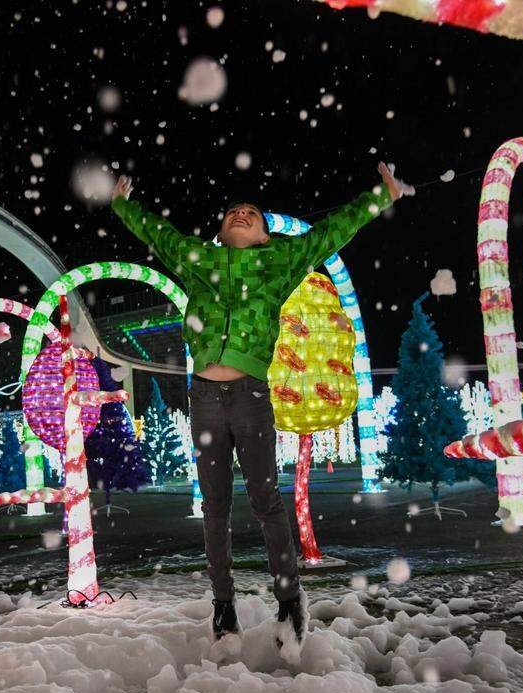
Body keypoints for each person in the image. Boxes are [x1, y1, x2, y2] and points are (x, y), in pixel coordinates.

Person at [111, 163, 411, 658]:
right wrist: (124, 204)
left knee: (267, 501)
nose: (241, 213)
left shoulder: (282, 260)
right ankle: (222, 604)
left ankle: (290, 599)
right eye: (233, 212)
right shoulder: (198, 258)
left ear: (266, 233)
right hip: (204, 402)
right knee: (215, 509)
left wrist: (381, 195)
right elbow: (157, 232)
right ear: (222, 230)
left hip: (251, 396)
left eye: (251, 212)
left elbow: (333, 230)